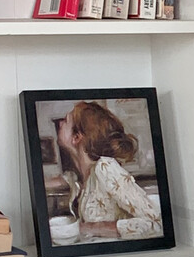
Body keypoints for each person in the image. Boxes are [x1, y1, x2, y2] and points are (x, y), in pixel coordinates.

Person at [55, 101, 162, 243]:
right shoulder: (80, 177)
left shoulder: (105, 167)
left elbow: (155, 223)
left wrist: (88, 228)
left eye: (65, 121)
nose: (60, 123)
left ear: (76, 137)